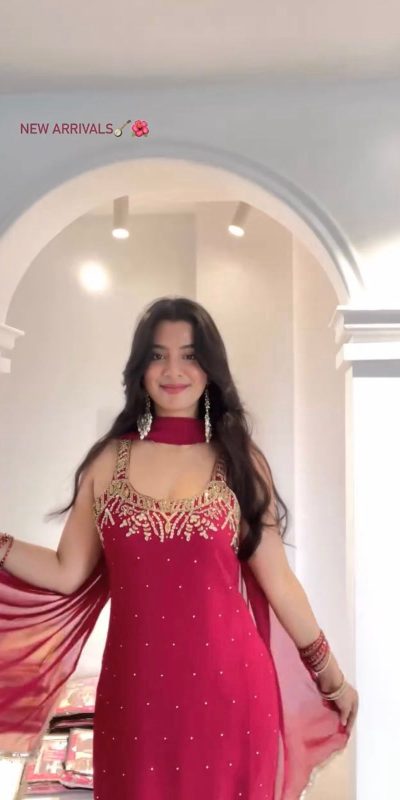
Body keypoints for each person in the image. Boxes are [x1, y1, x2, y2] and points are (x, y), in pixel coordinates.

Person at [0, 296, 358, 800]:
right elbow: (66, 570)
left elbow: (279, 582)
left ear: (210, 369)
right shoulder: (108, 462)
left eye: (189, 355)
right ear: (139, 368)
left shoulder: (239, 463)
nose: (173, 370)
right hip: (135, 700)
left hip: (231, 695)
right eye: (157, 355)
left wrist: (331, 677)